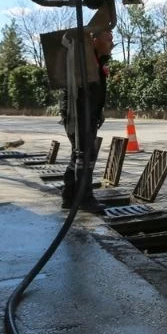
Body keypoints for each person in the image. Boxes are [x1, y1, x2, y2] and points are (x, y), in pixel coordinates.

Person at [60, 26, 114, 212]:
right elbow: (79, 93)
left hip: (88, 114)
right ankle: (85, 199)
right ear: (94, 40)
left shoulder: (97, 62)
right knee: (85, 156)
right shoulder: (84, 61)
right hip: (78, 114)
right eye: (108, 39)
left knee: (79, 155)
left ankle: (69, 197)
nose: (112, 44)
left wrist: (98, 113)